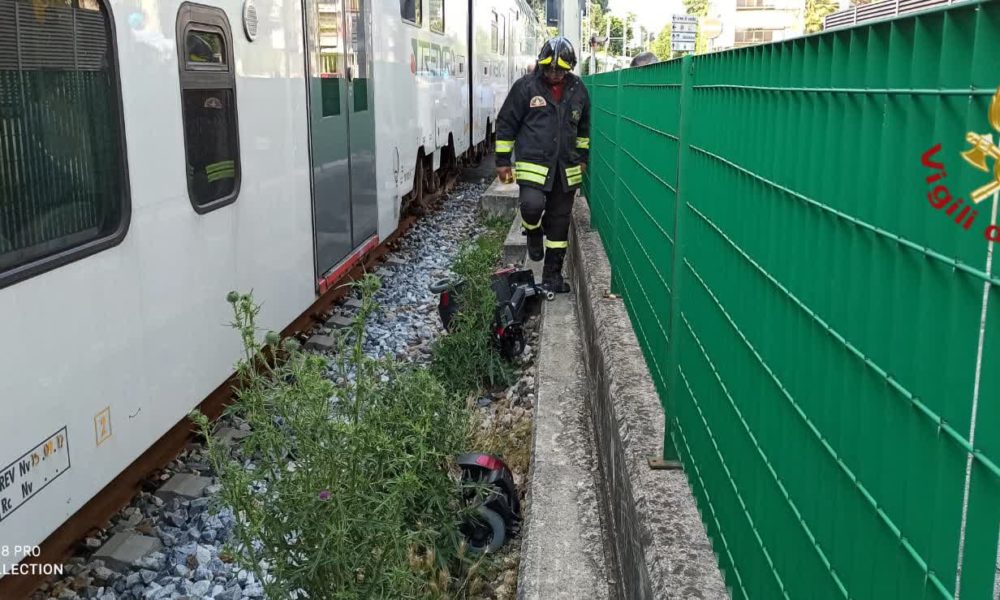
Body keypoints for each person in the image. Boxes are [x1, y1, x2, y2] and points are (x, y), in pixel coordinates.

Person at [494, 37, 591, 295]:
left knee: (559, 227)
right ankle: (533, 231)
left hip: (566, 170)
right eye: (549, 68)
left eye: (560, 70)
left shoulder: (579, 90)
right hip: (533, 165)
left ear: (569, 68)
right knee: (532, 205)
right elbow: (506, 124)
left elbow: (583, 129)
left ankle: (552, 277)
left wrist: (583, 158)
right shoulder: (525, 87)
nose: (554, 74)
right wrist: (503, 161)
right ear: (541, 65)